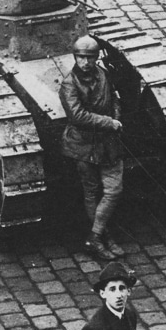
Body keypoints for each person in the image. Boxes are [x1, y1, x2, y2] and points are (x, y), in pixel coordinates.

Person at [59, 35, 125, 258]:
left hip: (108, 142)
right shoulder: (69, 83)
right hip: (83, 144)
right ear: (75, 58)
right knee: (91, 192)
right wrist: (109, 122)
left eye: (90, 58)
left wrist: (117, 117)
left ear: (97, 58)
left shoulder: (103, 74)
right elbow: (77, 116)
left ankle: (95, 236)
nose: (85, 62)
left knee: (114, 190)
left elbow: (114, 97)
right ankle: (104, 237)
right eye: (81, 57)